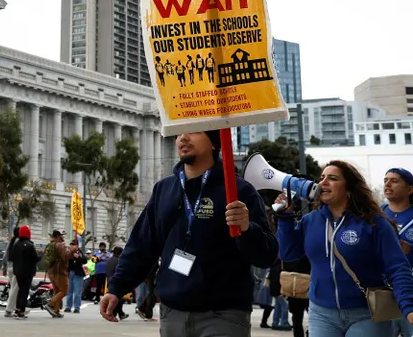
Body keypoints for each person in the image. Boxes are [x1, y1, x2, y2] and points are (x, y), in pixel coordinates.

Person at [101, 130, 278, 336]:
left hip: (224, 316)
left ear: (214, 143)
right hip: (172, 314)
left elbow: (267, 254)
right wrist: (116, 288)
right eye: (178, 134)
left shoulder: (240, 191)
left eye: (193, 131)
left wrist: (248, 228)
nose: (182, 139)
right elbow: (141, 246)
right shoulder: (164, 190)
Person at [275, 160, 413, 337]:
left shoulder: (374, 222)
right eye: (322, 177)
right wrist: (284, 217)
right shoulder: (310, 221)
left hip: (366, 313)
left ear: (349, 188)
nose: (323, 183)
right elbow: (287, 253)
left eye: (332, 178)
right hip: (321, 314)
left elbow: (397, 267)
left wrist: (408, 306)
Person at [382, 167, 413, 337]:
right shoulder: (376, 214)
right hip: (382, 292)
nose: (388, 184)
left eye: (394, 181)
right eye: (386, 180)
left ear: (410, 189)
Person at [7, 225, 39, 319]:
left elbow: (11, 257)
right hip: (27, 272)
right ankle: (21, 311)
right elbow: (35, 258)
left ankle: (17, 310)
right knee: (24, 292)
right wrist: (41, 254)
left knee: (20, 291)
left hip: (18, 271)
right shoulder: (30, 245)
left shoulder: (17, 244)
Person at [43, 229, 69, 318]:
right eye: (62, 235)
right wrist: (72, 251)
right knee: (64, 291)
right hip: (59, 271)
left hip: (50, 271)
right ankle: (50, 305)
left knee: (57, 290)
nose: (63, 237)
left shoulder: (49, 245)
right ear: (58, 236)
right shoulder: (60, 245)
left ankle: (56, 310)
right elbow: (65, 258)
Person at [65, 242, 86, 313]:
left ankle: (77, 307)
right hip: (70, 273)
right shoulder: (68, 253)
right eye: (70, 246)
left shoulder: (79, 252)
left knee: (77, 292)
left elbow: (84, 260)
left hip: (78, 274)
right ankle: (68, 306)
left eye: (72, 246)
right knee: (69, 291)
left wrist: (78, 257)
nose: (71, 247)